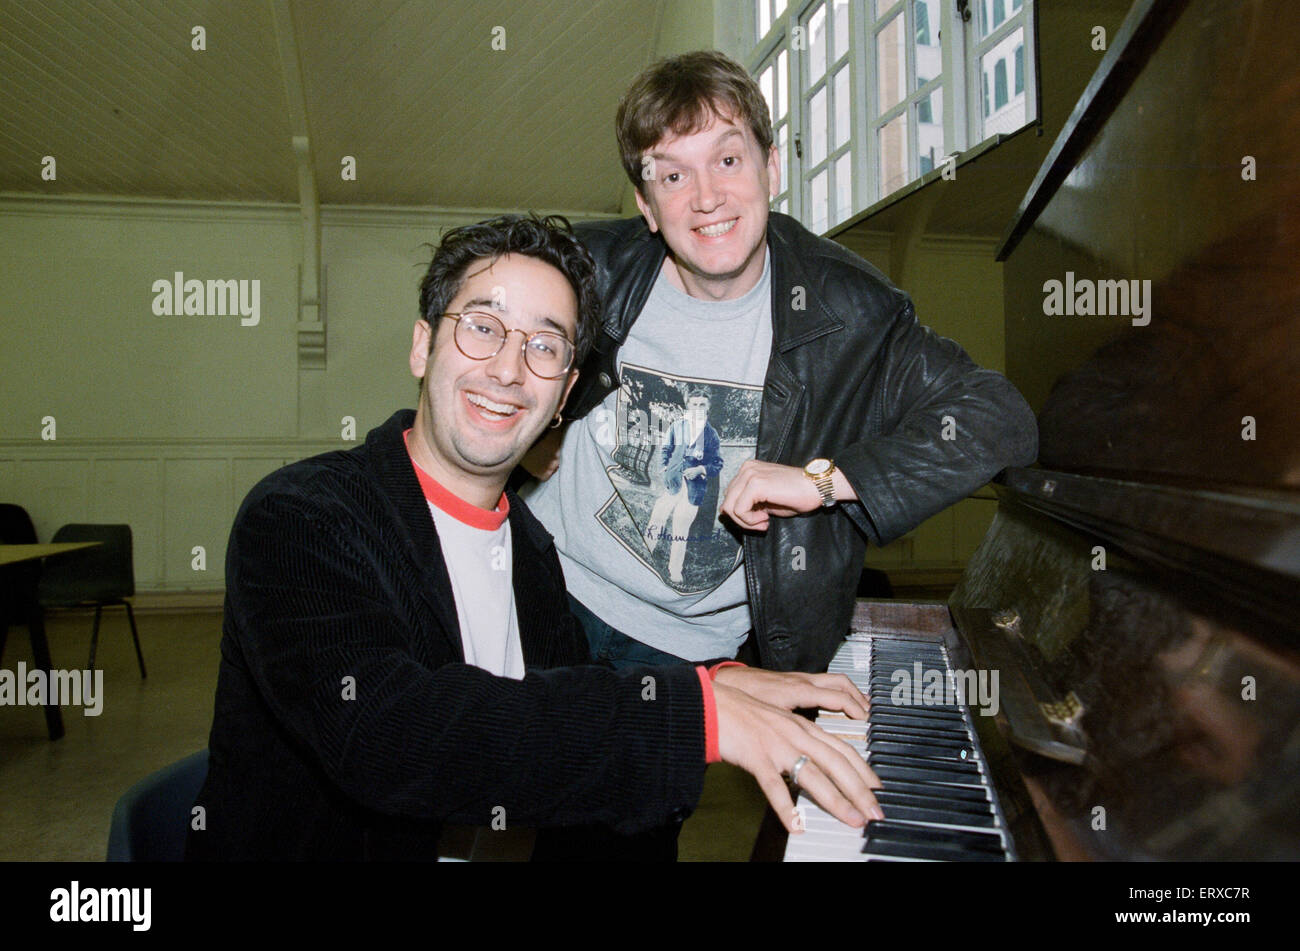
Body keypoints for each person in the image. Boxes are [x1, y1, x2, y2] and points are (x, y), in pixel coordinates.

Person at [185, 213, 881, 861]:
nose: (510, 370)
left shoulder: (531, 548)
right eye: (482, 328)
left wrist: (718, 680)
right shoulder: (302, 518)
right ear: (423, 345)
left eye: (545, 346)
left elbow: (566, 699)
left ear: (565, 392)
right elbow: (388, 732)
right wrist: (697, 715)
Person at [521, 50, 1038, 674]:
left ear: (770, 169)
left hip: (689, 658)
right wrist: (533, 430)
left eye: (728, 160)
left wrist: (821, 482)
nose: (707, 197)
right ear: (647, 205)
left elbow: (1001, 419)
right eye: (674, 176)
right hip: (543, 587)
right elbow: (470, 320)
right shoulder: (588, 267)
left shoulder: (851, 311)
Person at [646, 387, 724, 585]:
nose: (698, 407)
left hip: (694, 490)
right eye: (694, 404)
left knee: (681, 528)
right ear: (688, 406)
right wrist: (665, 468)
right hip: (673, 484)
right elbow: (666, 448)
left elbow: (717, 463)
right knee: (658, 516)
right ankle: (646, 551)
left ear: (708, 408)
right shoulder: (677, 426)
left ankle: (675, 571)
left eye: (702, 405)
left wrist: (700, 470)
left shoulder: (711, 434)